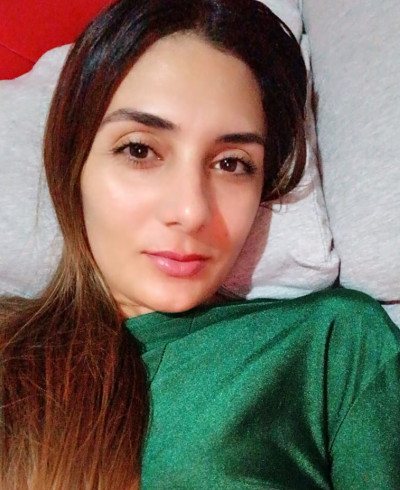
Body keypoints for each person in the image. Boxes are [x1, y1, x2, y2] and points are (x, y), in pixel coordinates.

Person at [0, 0, 399, 488]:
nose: (191, 212)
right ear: (73, 160)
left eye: (232, 163)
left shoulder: (334, 347)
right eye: (140, 150)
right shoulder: (10, 358)